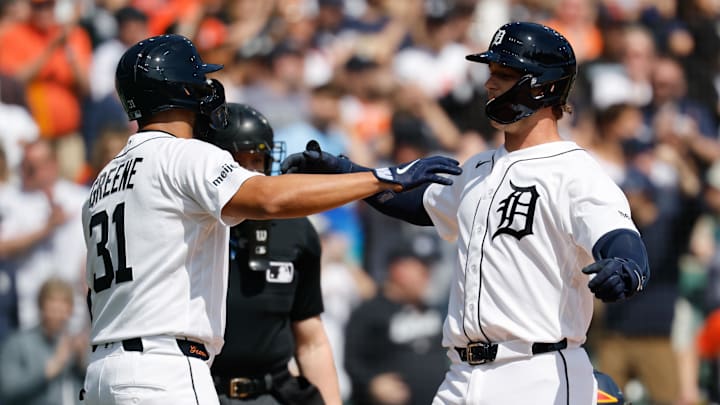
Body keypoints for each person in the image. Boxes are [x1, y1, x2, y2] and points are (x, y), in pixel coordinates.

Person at [80, 34, 461, 405]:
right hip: (163, 370)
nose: (207, 90)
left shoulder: (104, 180)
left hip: (101, 370)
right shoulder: (184, 155)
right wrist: (381, 177)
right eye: (199, 82)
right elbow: (268, 198)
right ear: (181, 90)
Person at [281, 21, 650, 404]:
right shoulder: (479, 167)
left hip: (537, 370)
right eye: (491, 73)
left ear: (545, 86)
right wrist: (349, 172)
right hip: (462, 376)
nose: (490, 84)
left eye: (504, 75)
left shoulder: (575, 171)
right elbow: (418, 204)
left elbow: (619, 239)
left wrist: (624, 266)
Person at [206, 103, 341, 405]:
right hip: (196, 392)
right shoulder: (185, 228)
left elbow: (311, 341)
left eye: (257, 160)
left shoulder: (296, 231)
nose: (250, 174)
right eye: (236, 164)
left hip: (271, 393)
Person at [344, 248, 447, 405]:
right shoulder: (369, 312)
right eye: (423, 268)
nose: (428, 275)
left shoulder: (432, 309)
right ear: (399, 269)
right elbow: (352, 361)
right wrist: (371, 383)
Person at [0, 277, 87, 405]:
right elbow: (7, 389)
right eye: (53, 309)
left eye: (63, 310)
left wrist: (82, 362)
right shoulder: (18, 343)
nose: (58, 315)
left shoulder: (76, 345)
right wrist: (49, 370)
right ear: (41, 307)